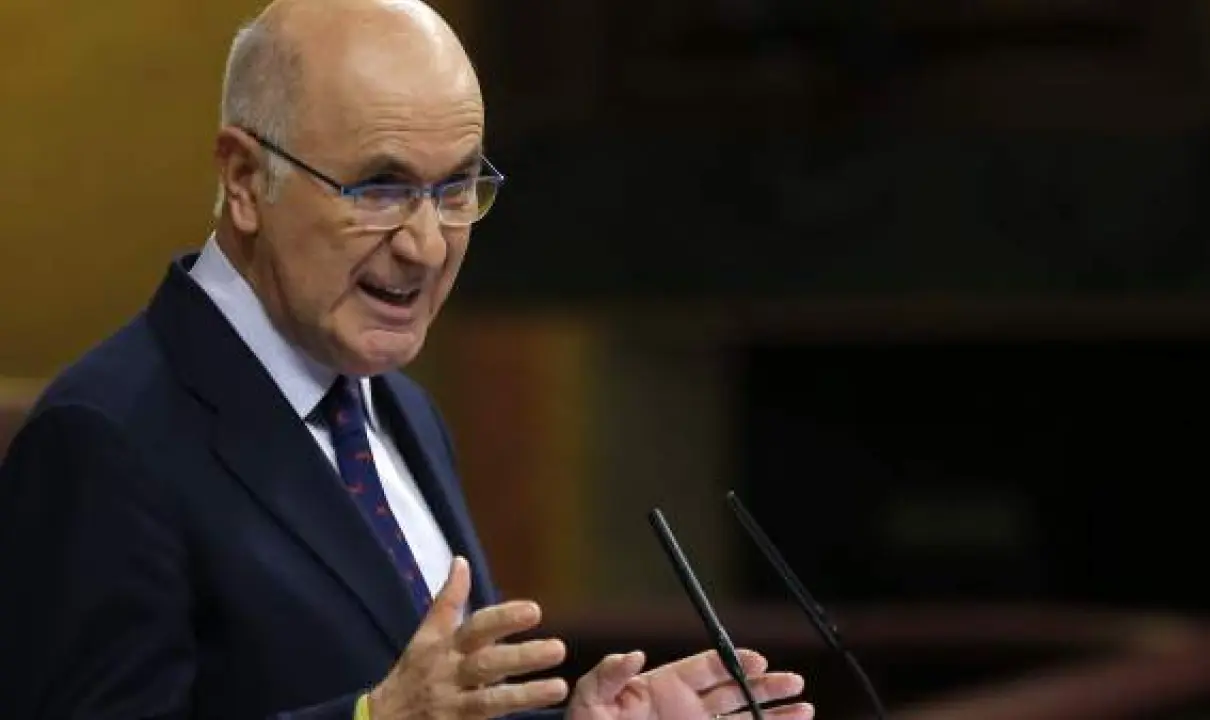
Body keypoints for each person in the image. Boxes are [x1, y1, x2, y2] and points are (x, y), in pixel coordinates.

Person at [0, 0, 816, 718]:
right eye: (381, 188)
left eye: (456, 188)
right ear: (246, 179)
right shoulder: (104, 438)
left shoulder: (399, 406)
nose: (426, 245)